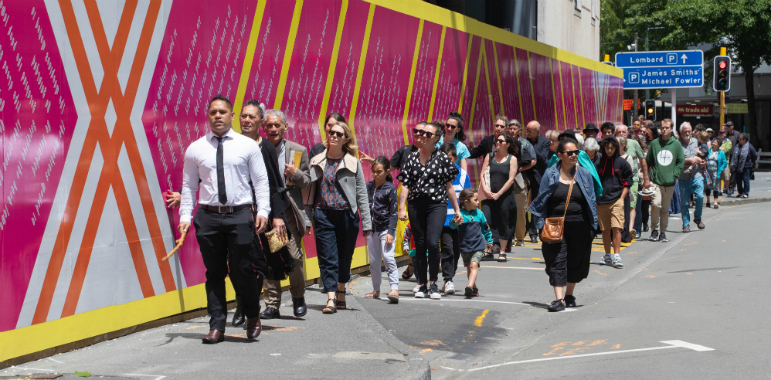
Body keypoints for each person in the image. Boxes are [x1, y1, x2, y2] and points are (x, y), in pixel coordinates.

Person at [179, 95, 270, 343]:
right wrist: (185, 216)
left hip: (240, 215)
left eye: (222, 112)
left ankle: (253, 314)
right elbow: (188, 186)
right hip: (208, 217)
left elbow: (261, 181)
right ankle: (217, 325)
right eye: (213, 112)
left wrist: (263, 211)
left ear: (232, 116)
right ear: (208, 116)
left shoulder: (247, 146)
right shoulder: (196, 149)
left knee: (242, 270)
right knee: (214, 272)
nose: (217, 116)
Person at [306, 121, 372, 314]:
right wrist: (306, 217)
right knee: (327, 258)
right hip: (323, 214)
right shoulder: (316, 160)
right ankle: (331, 297)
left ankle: (341, 291)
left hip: (347, 215)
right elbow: (309, 193)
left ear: (345, 139)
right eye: (331, 132)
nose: (333, 135)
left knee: (344, 257)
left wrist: (366, 222)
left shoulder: (353, 162)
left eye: (338, 134)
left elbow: (361, 194)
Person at [529, 138, 597, 312]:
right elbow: (541, 198)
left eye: (576, 152)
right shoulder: (550, 174)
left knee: (576, 260)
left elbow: (592, 200)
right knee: (557, 260)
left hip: (580, 225)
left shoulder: (584, 174)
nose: (574, 155)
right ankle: (559, 300)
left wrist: (593, 225)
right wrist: (539, 223)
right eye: (570, 153)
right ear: (559, 155)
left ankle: (569, 294)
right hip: (555, 224)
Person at [397, 121, 462, 300]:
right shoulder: (411, 157)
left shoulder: (441, 158)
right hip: (416, 205)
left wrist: (457, 210)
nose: (422, 136)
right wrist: (401, 208)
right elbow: (405, 184)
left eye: (427, 134)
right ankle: (422, 284)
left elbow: (449, 186)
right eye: (421, 133)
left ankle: (433, 283)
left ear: (436, 138)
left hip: (437, 205)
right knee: (419, 244)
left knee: (433, 242)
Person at [258, 109, 313, 320]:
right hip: (266, 210)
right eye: (269, 126)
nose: (273, 129)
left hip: (288, 210)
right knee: (270, 258)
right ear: (263, 127)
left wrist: (296, 174)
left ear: (285, 127)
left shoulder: (297, 151)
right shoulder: (257, 149)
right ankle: (272, 304)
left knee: (294, 257)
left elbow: (307, 181)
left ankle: (298, 297)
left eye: (277, 125)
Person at [364, 157, 400, 303]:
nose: (375, 174)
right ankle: (376, 290)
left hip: (386, 228)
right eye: (373, 171)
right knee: (373, 260)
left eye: (379, 171)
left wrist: (391, 231)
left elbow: (394, 212)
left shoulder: (390, 189)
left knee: (388, 257)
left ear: (386, 172)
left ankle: (394, 288)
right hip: (371, 229)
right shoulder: (368, 186)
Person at [479, 133, 519, 262]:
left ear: (507, 144)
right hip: (488, 195)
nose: (498, 143)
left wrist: (499, 194)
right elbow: (482, 174)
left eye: (501, 141)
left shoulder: (512, 159)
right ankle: (488, 250)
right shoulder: (489, 156)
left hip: (504, 195)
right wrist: (485, 190)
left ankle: (502, 251)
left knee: (503, 221)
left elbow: (511, 179)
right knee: (486, 220)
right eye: (497, 140)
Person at [595, 136, 632, 268]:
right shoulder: (598, 163)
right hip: (602, 201)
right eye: (607, 148)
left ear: (616, 148)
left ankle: (617, 256)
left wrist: (622, 197)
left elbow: (628, 181)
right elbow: (594, 182)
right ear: (603, 148)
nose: (609, 150)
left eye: (612, 148)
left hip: (617, 199)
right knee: (605, 230)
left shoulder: (622, 163)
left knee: (616, 228)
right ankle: (607, 255)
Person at [645, 119, 685, 243]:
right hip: (656, 181)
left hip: (670, 182)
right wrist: (646, 177)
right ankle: (654, 230)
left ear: (671, 129)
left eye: (666, 127)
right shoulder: (655, 144)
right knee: (655, 204)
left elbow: (680, 161)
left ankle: (662, 232)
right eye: (662, 127)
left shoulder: (676, 144)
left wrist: (675, 175)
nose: (664, 129)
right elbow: (648, 161)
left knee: (665, 208)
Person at [450, 188, 494, 299]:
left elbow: (486, 228)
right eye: (475, 200)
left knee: (474, 265)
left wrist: (489, 240)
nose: (478, 202)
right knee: (469, 267)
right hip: (465, 246)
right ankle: (473, 287)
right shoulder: (460, 214)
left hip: (478, 245)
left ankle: (469, 286)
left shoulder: (479, 213)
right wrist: (455, 221)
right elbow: (452, 226)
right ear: (466, 202)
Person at [438, 143, 470, 294]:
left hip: (458, 220)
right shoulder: (436, 173)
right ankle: (447, 279)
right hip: (442, 219)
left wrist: (466, 216)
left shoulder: (463, 175)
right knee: (447, 249)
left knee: (456, 252)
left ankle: (448, 278)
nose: (446, 162)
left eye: (449, 159)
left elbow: (467, 197)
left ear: (456, 158)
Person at [615, 124, 650, 238]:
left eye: (623, 132)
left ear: (627, 133)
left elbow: (642, 160)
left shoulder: (634, 144)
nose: (621, 134)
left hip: (633, 180)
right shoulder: (612, 145)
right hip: (616, 181)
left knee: (631, 205)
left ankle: (630, 230)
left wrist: (646, 178)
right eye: (619, 132)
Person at [506, 119, 536, 247]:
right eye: (510, 128)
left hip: (520, 179)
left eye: (515, 128)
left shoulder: (525, 143)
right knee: (506, 209)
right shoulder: (503, 141)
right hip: (505, 179)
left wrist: (520, 169)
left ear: (519, 130)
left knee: (520, 209)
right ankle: (508, 237)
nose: (512, 130)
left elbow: (533, 161)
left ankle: (519, 238)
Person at [524, 120, 551, 243]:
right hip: (525, 175)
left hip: (538, 177)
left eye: (531, 131)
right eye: (527, 130)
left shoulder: (545, 142)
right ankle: (526, 228)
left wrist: (531, 149)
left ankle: (535, 232)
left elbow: (543, 158)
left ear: (538, 131)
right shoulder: (524, 140)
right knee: (523, 205)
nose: (528, 133)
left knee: (536, 205)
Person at [678, 122, 706, 232]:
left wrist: (702, 162)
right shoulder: (677, 144)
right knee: (685, 202)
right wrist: (690, 160)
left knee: (700, 196)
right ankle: (686, 224)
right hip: (684, 176)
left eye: (689, 131)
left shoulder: (695, 141)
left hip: (696, 174)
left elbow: (699, 154)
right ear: (681, 132)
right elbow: (676, 159)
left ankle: (698, 218)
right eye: (685, 131)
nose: (688, 133)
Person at [730, 133, 757, 199]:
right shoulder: (737, 146)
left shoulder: (749, 147)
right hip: (737, 165)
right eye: (739, 139)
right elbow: (734, 155)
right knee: (738, 179)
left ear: (745, 140)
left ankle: (745, 193)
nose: (739, 140)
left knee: (745, 179)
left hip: (746, 166)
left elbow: (754, 155)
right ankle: (740, 192)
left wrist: (752, 162)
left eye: (740, 139)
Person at [705, 137, 727, 209]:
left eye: (715, 142)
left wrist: (720, 169)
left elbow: (724, 163)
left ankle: (715, 202)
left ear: (719, 145)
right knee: (707, 185)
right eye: (713, 142)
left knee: (715, 186)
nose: (713, 144)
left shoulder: (721, 153)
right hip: (708, 172)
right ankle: (708, 201)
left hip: (715, 171)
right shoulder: (708, 151)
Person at [723, 121, 741, 194]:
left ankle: (731, 187)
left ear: (732, 126)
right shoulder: (726, 134)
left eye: (729, 126)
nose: (727, 127)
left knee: (733, 171)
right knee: (726, 171)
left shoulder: (736, 134)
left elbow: (739, 144)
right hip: (726, 155)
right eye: (726, 126)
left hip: (734, 155)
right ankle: (726, 187)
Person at [719, 130, 732, 194]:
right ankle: (719, 190)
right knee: (718, 176)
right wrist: (721, 148)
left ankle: (727, 189)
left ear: (725, 134)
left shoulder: (728, 142)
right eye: (719, 132)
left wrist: (719, 148)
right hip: (718, 161)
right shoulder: (717, 140)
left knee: (726, 176)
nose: (720, 134)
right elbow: (713, 148)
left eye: (721, 133)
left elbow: (726, 150)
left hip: (725, 161)